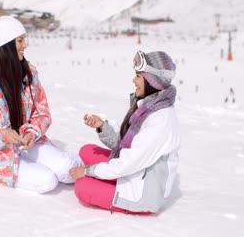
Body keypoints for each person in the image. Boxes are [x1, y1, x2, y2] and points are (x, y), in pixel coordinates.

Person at [0, 16, 82, 193]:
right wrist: (2, 135)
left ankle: (95, 171)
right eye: (20, 40)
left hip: (27, 143)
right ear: (7, 44)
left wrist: (31, 132)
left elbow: (42, 112)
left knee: (67, 170)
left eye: (24, 40)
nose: (24, 45)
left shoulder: (28, 73)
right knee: (47, 181)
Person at [69, 50, 180, 214]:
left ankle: (109, 186)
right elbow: (126, 144)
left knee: (82, 188)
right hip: (137, 170)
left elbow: (128, 162)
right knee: (86, 151)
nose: (133, 80)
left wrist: (87, 172)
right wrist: (102, 126)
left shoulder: (160, 120)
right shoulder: (149, 105)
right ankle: (102, 177)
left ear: (152, 81)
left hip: (143, 194)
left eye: (138, 76)